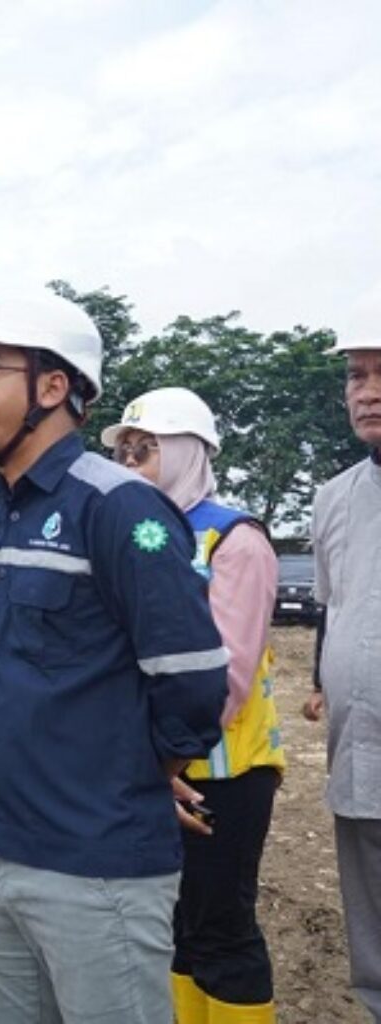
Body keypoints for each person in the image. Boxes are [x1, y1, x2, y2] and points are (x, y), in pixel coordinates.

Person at [0, 294, 228, 1024]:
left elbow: (191, 678)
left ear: (53, 387)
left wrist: (133, 775)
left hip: (94, 865)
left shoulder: (120, 507)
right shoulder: (2, 513)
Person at [103, 386, 284, 1024]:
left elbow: (228, 674)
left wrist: (165, 767)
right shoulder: (139, 534)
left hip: (221, 773)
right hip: (157, 771)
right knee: (179, 929)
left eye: (143, 448)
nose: (128, 459)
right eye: (122, 449)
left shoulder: (235, 539)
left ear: (187, 451)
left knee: (223, 928)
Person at [302, 334, 381, 1023]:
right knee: (373, 926)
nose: (368, 390)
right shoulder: (334, 497)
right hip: (359, 747)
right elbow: (334, 606)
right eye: (358, 375)